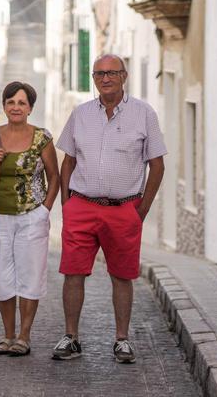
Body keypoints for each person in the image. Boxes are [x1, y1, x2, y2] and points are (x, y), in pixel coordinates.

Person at [52, 54, 166, 364]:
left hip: (123, 209)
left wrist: (140, 210)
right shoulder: (81, 114)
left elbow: (157, 165)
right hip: (82, 206)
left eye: (112, 73)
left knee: (122, 275)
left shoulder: (144, 114)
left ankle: (122, 339)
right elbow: (69, 161)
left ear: (124, 76)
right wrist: (67, 204)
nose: (105, 78)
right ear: (93, 78)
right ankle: (71, 337)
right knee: (73, 272)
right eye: (100, 73)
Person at [0, 81, 59, 357]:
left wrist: (45, 210)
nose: (16, 107)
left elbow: (55, 177)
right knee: (3, 278)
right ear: (4, 106)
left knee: (30, 277)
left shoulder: (42, 138)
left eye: (22, 103)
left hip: (32, 216)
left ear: (30, 108)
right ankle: (7, 335)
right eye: (11, 102)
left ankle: (24, 336)